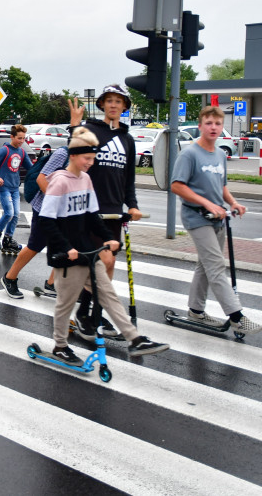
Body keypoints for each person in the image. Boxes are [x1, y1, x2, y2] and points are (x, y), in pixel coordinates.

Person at [39, 127, 169, 361]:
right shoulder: (60, 182)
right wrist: (66, 247)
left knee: (109, 295)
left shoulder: (86, 179)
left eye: (93, 158)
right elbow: (47, 222)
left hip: (88, 251)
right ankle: (60, 346)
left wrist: (108, 238)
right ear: (74, 156)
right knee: (64, 305)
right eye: (87, 158)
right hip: (66, 255)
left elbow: (91, 215)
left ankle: (135, 339)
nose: (91, 163)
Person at [171, 105, 262, 335]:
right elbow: (177, 186)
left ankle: (195, 310)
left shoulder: (220, 154)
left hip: (218, 217)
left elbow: (221, 186)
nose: (213, 128)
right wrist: (206, 203)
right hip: (196, 216)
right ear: (200, 126)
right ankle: (237, 317)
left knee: (205, 264)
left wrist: (232, 203)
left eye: (218, 124)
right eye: (209, 123)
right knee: (215, 266)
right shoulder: (189, 154)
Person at [71, 84, 143, 335]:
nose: (113, 105)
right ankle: (84, 312)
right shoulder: (91, 130)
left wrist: (132, 205)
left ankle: (94, 314)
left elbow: (129, 178)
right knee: (104, 260)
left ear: (124, 107)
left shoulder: (128, 139)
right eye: (109, 101)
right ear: (102, 104)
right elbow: (75, 156)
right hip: (90, 210)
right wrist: (74, 126)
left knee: (107, 267)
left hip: (114, 211)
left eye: (118, 101)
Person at [1, 98, 86, 299]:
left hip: (64, 211)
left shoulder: (81, 159)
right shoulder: (62, 154)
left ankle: (51, 284)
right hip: (45, 208)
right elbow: (41, 178)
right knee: (35, 246)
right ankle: (10, 278)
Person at [0, 124, 32, 254]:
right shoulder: (5, 150)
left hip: (14, 188)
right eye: (19, 138)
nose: (22, 141)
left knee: (16, 214)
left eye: (24, 138)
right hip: (3, 187)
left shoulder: (22, 152)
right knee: (9, 213)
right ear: (12, 137)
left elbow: (31, 167)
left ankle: (8, 239)